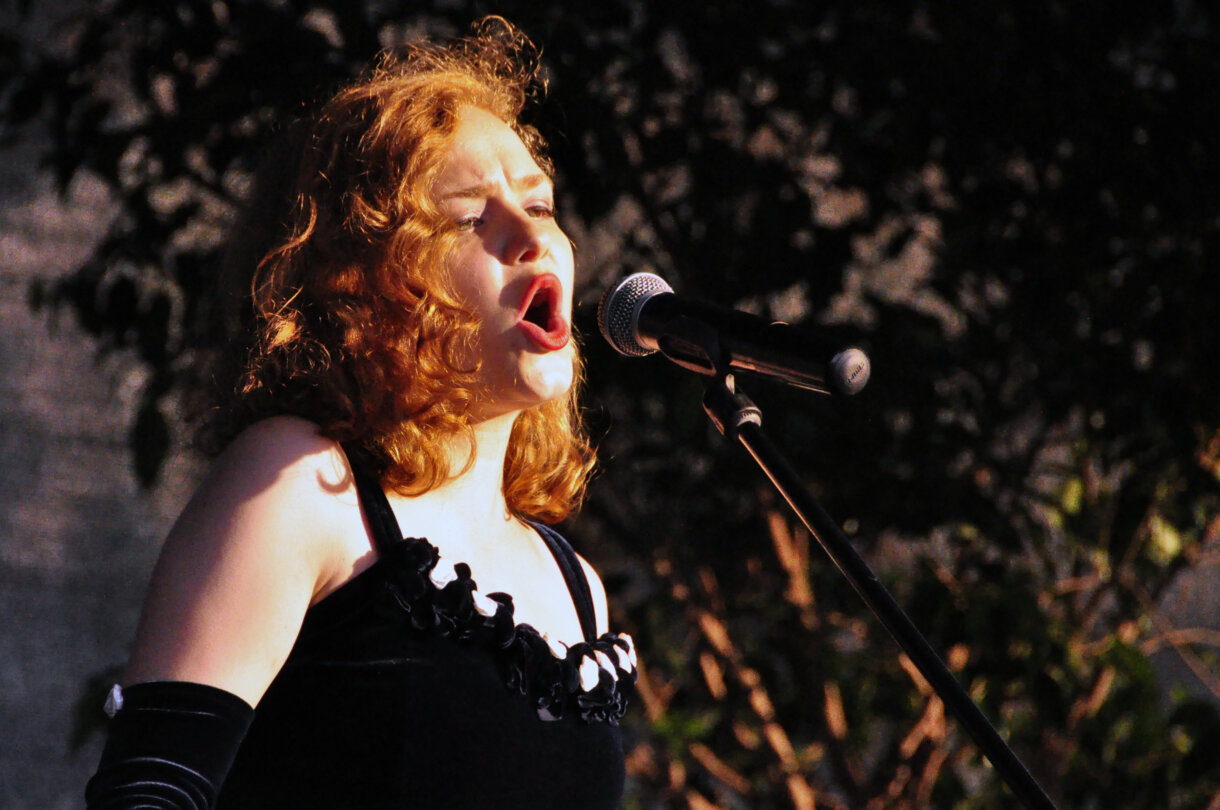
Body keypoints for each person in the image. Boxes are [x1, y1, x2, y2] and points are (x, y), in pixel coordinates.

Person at [84, 17, 637, 810]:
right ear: (366, 284)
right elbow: (151, 790)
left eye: (541, 205)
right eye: (471, 218)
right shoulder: (302, 487)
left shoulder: (574, 586)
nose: (531, 238)